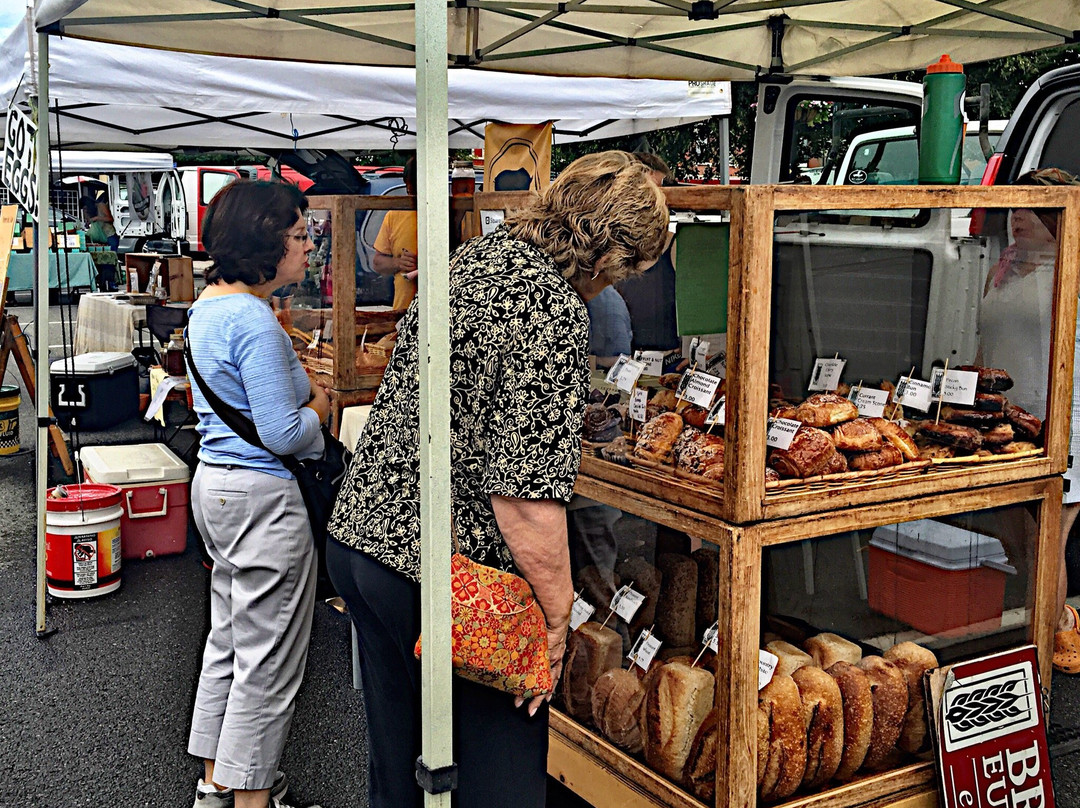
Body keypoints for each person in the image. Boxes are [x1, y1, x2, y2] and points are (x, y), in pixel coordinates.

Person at [326, 151, 668, 808]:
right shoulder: (550, 308)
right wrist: (556, 619)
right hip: (445, 577)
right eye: (630, 269)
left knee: (402, 770)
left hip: (363, 541)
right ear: (609, 258)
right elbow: (525, 499)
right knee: (500, 780)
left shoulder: (477, 259)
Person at [185, 180, 327, 808]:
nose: (307, 247)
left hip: (215, 487)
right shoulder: (252, 319)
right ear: (264, 241)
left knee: (229, 642)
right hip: (263, 497)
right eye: (298, 235)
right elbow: (284, 432)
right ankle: (253, 800)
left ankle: (216, 784)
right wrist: (321, 410)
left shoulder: (206, 308)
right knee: (268, 662)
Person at [978, 167, 1080, 674]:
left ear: (1057, 219)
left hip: (1060, 419)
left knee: (1046, 543)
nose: (1018, 218)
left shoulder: (1071, 268)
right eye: (1015, 208)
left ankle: (1047, 642)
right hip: (1006, 423)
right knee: (1015, 537)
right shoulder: (1006, 268)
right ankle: (1049, 617)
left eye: (1031, 210)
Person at [619, 153, 680, 352]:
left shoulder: (674, 245)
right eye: (651, 190)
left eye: (661, 189)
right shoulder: (608, 244)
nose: (659, 199)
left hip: (667, 362)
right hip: (615, 363)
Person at [371, 156, 419, 310]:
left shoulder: (451, 213)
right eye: (414, 185)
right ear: (407, 183)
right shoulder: (395, 214)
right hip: (403, 311)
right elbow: (378, 262)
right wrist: (398, 263)